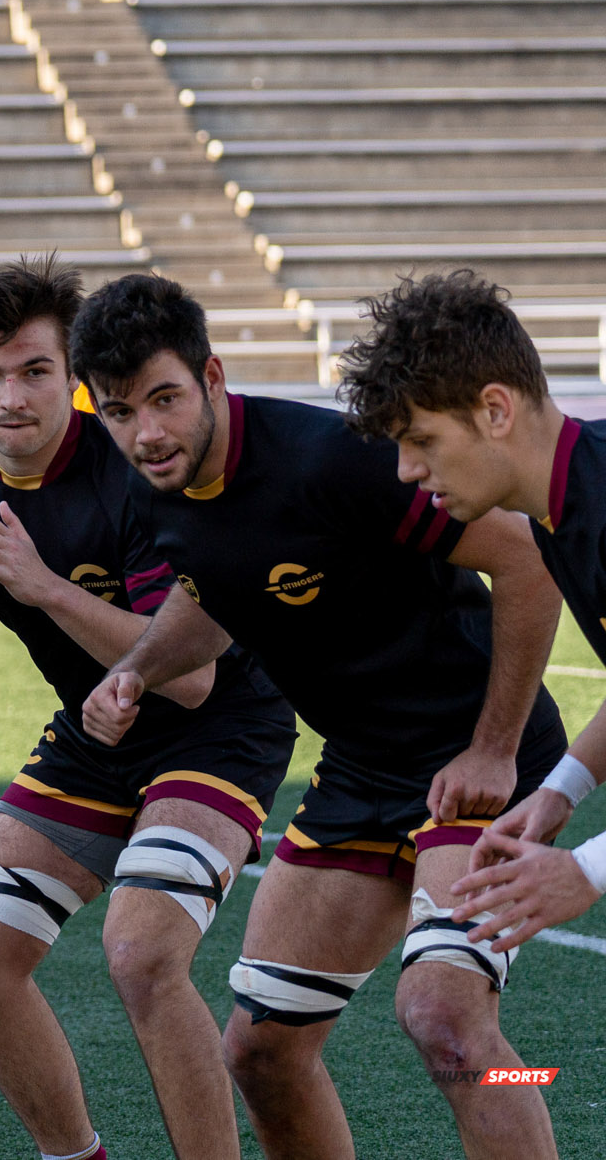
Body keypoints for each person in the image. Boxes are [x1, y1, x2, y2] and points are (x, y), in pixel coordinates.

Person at [69, 274, 566, 1160]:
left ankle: (526, 1072)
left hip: (477, 755)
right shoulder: (153, 484)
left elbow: (525, 560)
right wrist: (138, 669)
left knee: (449, 1027)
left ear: (213, 376)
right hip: (363, 770)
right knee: (261, 1048)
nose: (146, 432)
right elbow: (215, 586)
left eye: (165, 399)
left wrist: (493, 747)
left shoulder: (327, 457)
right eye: (117, 410)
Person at [0, 257, 295, 1160]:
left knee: (142, 953)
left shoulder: (130, 464)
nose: (9, 396)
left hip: (217, 726)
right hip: (96, 733)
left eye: (34, 371)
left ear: (76, 379)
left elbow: (185, 679)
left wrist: (43, 585)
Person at [335, 270, 606, 953]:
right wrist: (558, 793)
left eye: (421, 439)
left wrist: (586, 869)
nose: (404, 470)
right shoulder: (561, 499)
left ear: (495, 410)